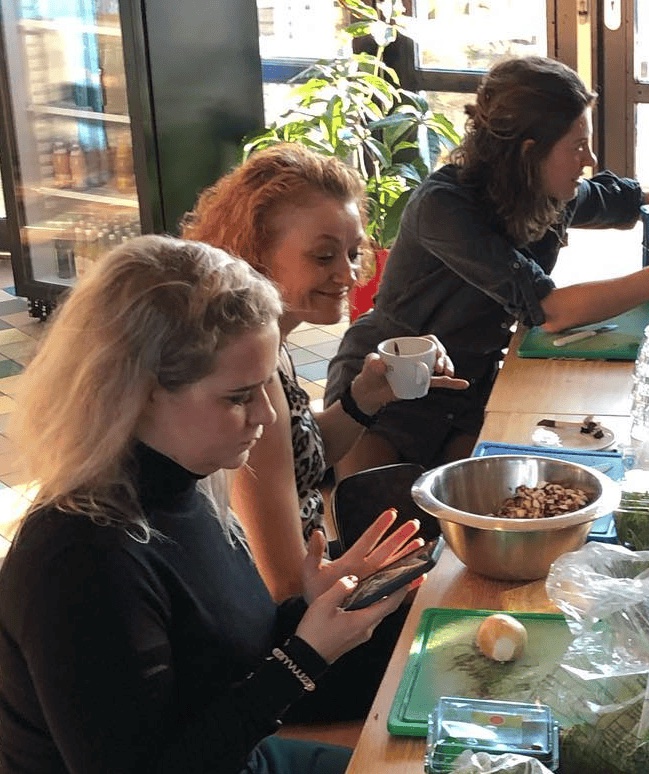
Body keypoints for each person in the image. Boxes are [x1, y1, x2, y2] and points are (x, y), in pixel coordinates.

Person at [0, 236, 427, 774]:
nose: (267, 418)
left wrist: (308, 609)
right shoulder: (80, 561)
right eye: (237, 397)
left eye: (264, 391)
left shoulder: (184, 480)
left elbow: (212, 653)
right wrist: (304, 656)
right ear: (140, 392)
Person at [324, 55, 649, 477]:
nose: (591, 161)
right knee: (377, 518)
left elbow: (641, 201)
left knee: (481, 508)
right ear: (529, 151)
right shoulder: (446, 206)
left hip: (469, 386)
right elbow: (551, 309)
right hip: (389, 386)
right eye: (578, 147)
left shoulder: (542, 194)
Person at [181, 144, 467, 601]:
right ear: (255, 254)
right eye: (323, 257)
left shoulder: (269, 344)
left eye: (353, 253)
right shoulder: (246, 380)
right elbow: (286, 586)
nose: (349, 275)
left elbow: (297, 461)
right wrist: (385, 580)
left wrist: (365, 396)